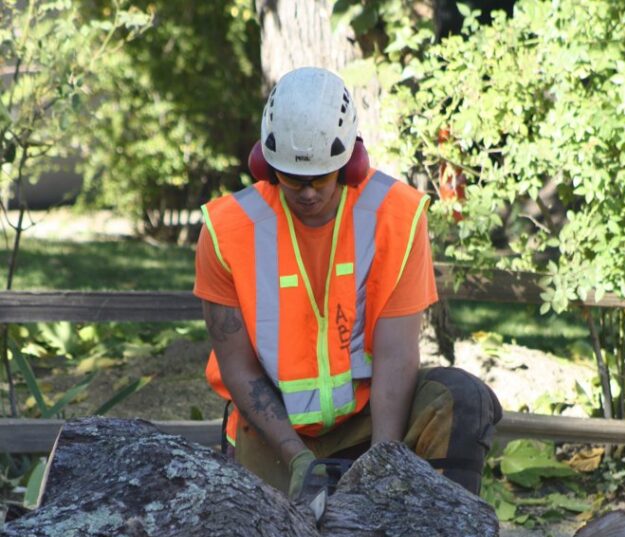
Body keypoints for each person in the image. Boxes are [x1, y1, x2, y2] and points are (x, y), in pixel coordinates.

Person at [193, 66, 502, 501]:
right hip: (272, 434)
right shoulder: (225, 230)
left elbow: (397, 355)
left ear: (350, 163)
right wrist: (298, 458)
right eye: (292, 178)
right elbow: (238, 369)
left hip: (369, 419)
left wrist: (380, 464)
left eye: (320, 177)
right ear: (265, 164)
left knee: (462, 398)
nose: (307, 193)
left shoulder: (396, 217)